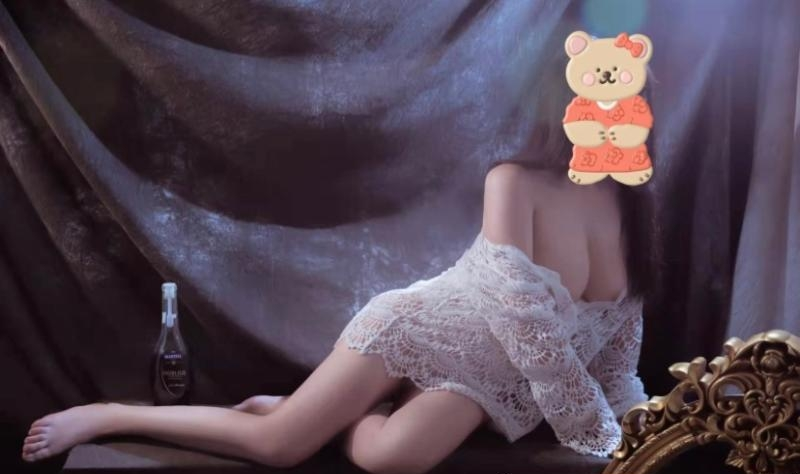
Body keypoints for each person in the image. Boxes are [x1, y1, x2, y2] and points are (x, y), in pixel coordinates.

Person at [21, 74, 659, 474]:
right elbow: (522, 322)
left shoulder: (634, 206)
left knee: (394, 459)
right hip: (423, 329)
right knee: (280, 445)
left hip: (489, 378)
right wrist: (595, 431)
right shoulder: (514, 181)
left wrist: (644, 431)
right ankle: (110, 414)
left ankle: (327, 412)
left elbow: (616, 350)